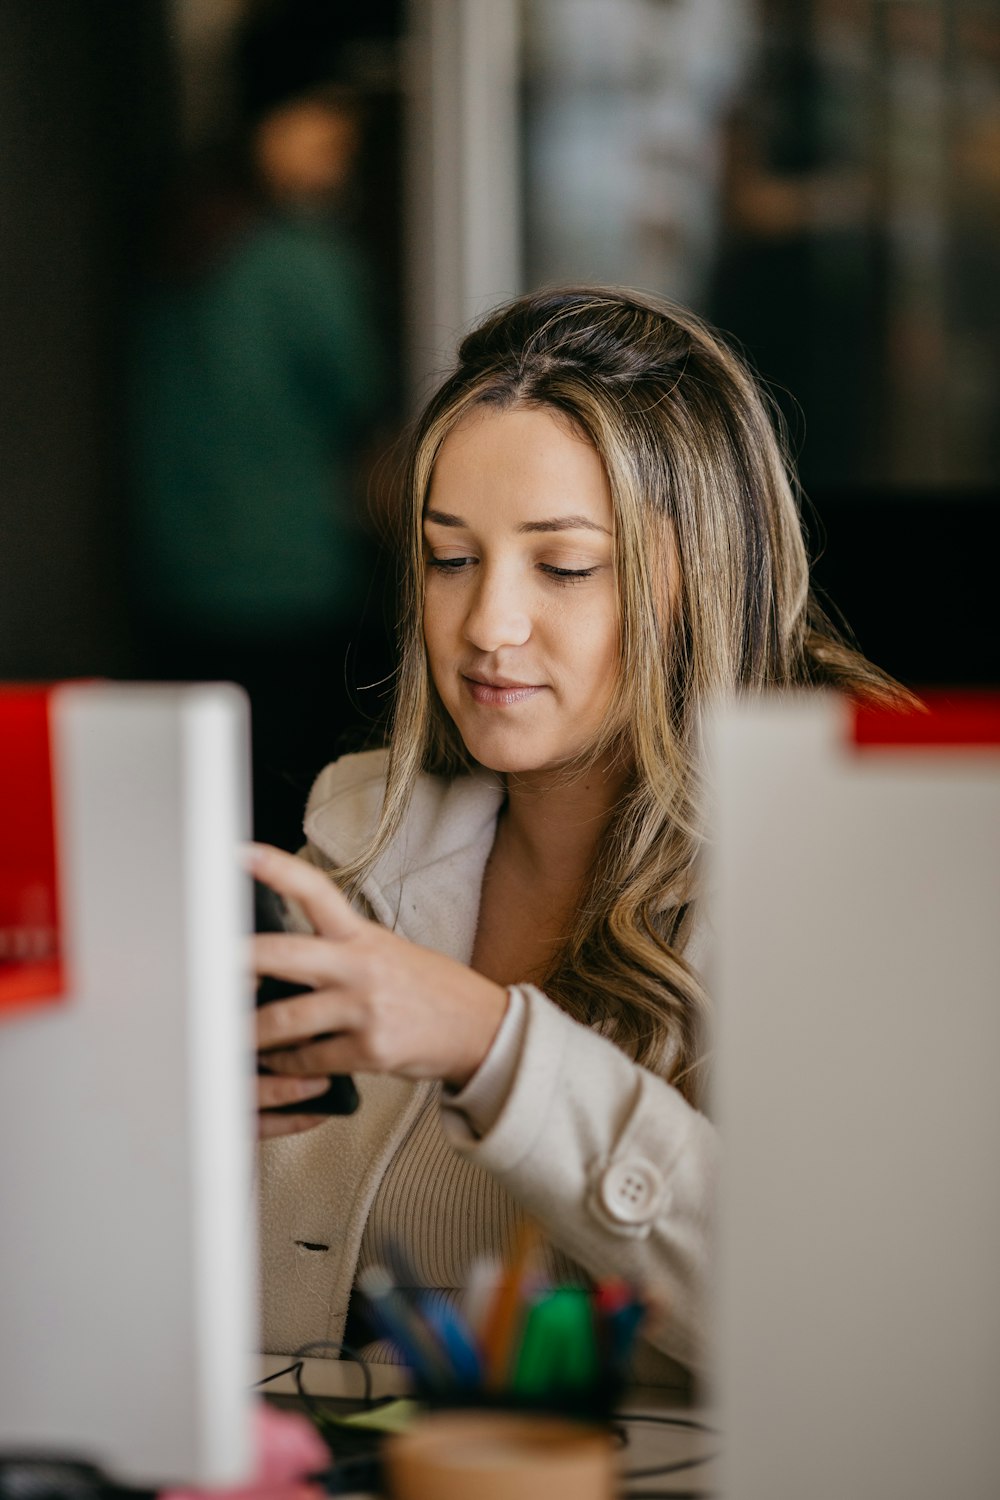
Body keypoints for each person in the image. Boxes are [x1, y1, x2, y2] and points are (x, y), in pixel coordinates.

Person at [249, 286, 914, 1386]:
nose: (485, 627)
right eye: (448, 558)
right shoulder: (356, 846)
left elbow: (853, 1332)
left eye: (563, 567)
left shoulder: (835, 878)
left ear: (692, 584)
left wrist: (494, 1047)